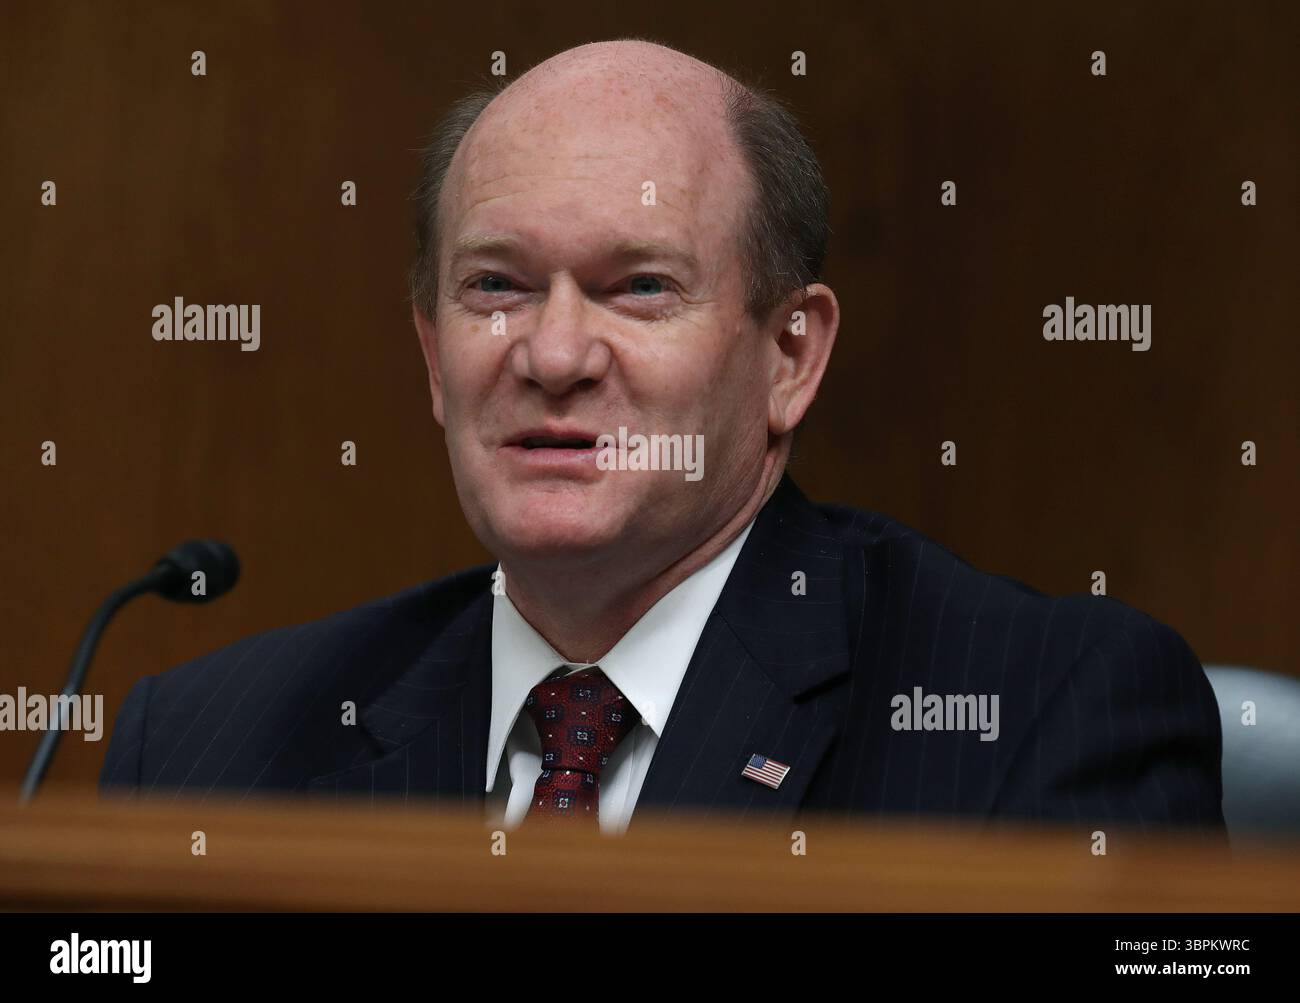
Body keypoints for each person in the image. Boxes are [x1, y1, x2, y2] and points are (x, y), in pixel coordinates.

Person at [100, 38, 1223, 836]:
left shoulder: (1041, 714)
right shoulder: (204, 751)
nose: (552, 355)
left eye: (639, 287)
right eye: (495, 286)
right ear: (435, 359)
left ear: (789, 356)